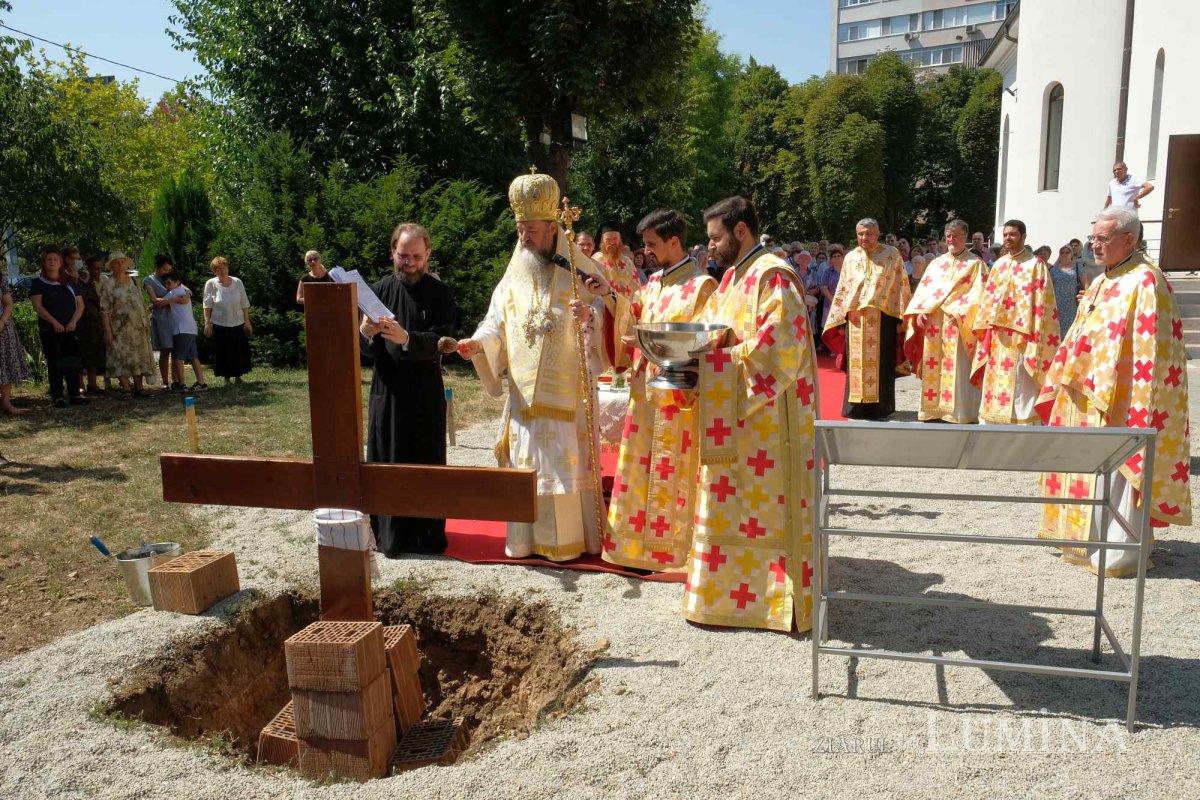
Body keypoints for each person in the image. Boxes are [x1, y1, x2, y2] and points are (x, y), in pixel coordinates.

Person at [457, 169, 611, 562]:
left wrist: (590, 317)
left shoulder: (583, 270)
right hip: (525, 394)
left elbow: (612, 313)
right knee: (526, 462)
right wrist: (477, 343)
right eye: (520, 229)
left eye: (531, 230)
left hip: (569, 393)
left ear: (552, 226)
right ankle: (525, 542)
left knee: (565, 460)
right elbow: (495, 321)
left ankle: (571, 543)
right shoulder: (513, 275)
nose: (523, 237)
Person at [682, 196, 817, 632]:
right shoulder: (732, 278)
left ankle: (769, 601)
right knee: (726, 499)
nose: (710, 247)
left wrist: (717, 359)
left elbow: (779, 347)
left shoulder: (773, 275)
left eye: (716, 238)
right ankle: (724, 595)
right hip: (733, 413)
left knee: (761, 509)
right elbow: (719, 332)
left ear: (741, 231)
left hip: (769, 422)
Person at [1038, 207, 1190, 577]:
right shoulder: (1106, 278)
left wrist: (1121, 388)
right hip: (1083, 390)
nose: (1095, 245)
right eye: (1093, 238)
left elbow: (1150, 348)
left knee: (1119, 469)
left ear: (1129, 239)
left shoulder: (1146, 282)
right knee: (1081, 465)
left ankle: (1118, 552)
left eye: (1103, 239)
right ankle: (1082, 540)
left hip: (1121, 395)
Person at [604, 208, 716, 572]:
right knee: (640, 468)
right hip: (644, 392)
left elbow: (707, 340)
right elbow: (630, 316)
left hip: (679, 395)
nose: (646, 250)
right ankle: (635, 550)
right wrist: (606, 298)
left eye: (652, 244)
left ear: (674, 241)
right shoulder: (652, 283)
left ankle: (672, 552)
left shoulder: (701, 286)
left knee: (673, 473)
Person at [360, 223, 457, 556]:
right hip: (387, 392)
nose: (410, 262)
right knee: (387, 460)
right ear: (393, 252)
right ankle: (389, 537)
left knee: (426, 461)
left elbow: (443, 342)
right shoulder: (376, 292)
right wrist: (364, 332)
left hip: (426, 392)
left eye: (417, 256)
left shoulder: (440, 293)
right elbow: (364, 354)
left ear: (428, 254)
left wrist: (407, 339)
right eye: (404, 255)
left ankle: (426, 537)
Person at [970, 219, 1058, 425]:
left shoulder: (1035, 265)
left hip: (1022, 334)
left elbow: (1043, 302)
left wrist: (1035, 333)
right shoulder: (999, 265)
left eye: (1013, 235)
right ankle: (994, 420)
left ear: (1023, 237)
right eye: (1006, 235)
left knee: (1021, 380)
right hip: (998, 335)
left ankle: (1023, 422)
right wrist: (985, 327)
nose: (1008, 238)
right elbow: (988, 299)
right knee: (995, 376)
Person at [822, 218, 911, 420]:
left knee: (882, 364)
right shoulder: (851, 258)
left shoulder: (891, 255)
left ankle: (881, 409)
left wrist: (902, 318)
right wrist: (841, 318)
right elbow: (843, 290)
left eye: (869, 233)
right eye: (861, 233)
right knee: (856, 366)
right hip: (855, 321)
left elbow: (901, 286)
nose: (865, 237)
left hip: (883, 318)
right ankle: (855, 408)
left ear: (877, 234)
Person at [903, 220, 986, 424]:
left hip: (959, 325)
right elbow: (924, 291)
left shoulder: (975, 265)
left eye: (956, 235)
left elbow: (980, 297)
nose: (951, 239)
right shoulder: (936, 264)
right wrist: (920, 311)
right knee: (934, 365)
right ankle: (934, 409)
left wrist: (958, 312)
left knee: (957, 367)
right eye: (948, 235)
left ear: (965, 237)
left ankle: (959, 412)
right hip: (934, 324)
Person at [29, 246, 86, 408]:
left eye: (55, 259)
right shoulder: (38, 283)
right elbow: (38, 307)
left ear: (60, 262)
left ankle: (75, 394)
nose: (52, 262)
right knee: (55, 362)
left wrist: (73, 322)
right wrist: (54, 323)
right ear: (44, 263)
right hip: (51, 329)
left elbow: (80, 305)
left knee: (73, 361)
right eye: (49, 260)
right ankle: (58, 396)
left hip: (71, 328)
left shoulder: (69, 282)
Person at [99, 253, 157, 398]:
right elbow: (104, 309)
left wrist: (146, 323)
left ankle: (139, 387)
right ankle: (125, 388)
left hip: (137, 327)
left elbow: (140, 303)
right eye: (116, 263)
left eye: (122, 262)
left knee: (138, 357)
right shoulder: (109, 284)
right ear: (111, 266)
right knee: (120, 357)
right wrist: (107, 330)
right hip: (119, 328)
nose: (119, 266)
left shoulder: (133, 281)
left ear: (127, 264)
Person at [591, 221, 643, 372]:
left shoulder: (627, 262)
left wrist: (636, 309)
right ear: (602, 241)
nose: (613, 243)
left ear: (620, 241)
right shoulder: (596, 260)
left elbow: (637, 287)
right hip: (606, 313)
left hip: (627, 313)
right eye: (609, 240)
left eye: (615, 239)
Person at [202, 257, 252, 385]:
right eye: (218, 269)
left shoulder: (237, 282)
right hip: (220, 323)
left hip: (238, 321)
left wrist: (247, 321)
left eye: (223, 268)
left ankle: (239, 377)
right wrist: (207, 323)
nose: (222, 271)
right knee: (223, 350)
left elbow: (244, 303)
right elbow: (207, 305)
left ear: (227, 267)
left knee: (238, 350)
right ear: (214, 271)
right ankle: (226, 378)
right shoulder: (211, 284)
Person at [162, 273, 207, 390]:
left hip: (181, 329)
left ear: (177, 283)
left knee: (178, 357)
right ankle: (201, 382)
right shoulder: (182, 290)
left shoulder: (174, 292)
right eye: (165, 283)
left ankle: (181, 384)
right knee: (193, 356)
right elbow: (189, 293)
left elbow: (160, 302)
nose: (167, 286)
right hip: (191, 328)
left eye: (169, 283)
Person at [143, 255, 176, 389]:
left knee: (177, 350)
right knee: (166, 349)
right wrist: (174, 300)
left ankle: (177, 380)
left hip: (175, 317)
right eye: (164, 269)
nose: (167, 272)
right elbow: (154, 301)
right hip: (162, 319)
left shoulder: (170, 278)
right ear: (157, 267)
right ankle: (165, 381)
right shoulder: (148, 281)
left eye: (169, 270)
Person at [77, 255, 108, 394]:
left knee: (95, 353)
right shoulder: (81, 279)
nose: (97, 271)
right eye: (94, 268)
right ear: (88, 267)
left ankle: (93, 383)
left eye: (99, 268)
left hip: (97, 319)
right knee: (81, 354)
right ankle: (80, 385)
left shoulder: (104, 280)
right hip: (81, 320)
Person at [0, 270, 29, 415]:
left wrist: (2, 322)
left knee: (4, 364)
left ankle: (6, 403)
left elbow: (9, 303)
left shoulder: (1, 278)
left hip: (2, 328)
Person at [1049, 244, 1087, 335]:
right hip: (1057, 304)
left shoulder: (1078, 266)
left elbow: (1086, 285)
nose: (1065, 254)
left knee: (1072, 329)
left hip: (1073, 304)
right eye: (1062, 252)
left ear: (1071, 254)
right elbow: (1049, 287)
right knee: (1057, 329)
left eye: (1067, 252)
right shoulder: (1054, 270)